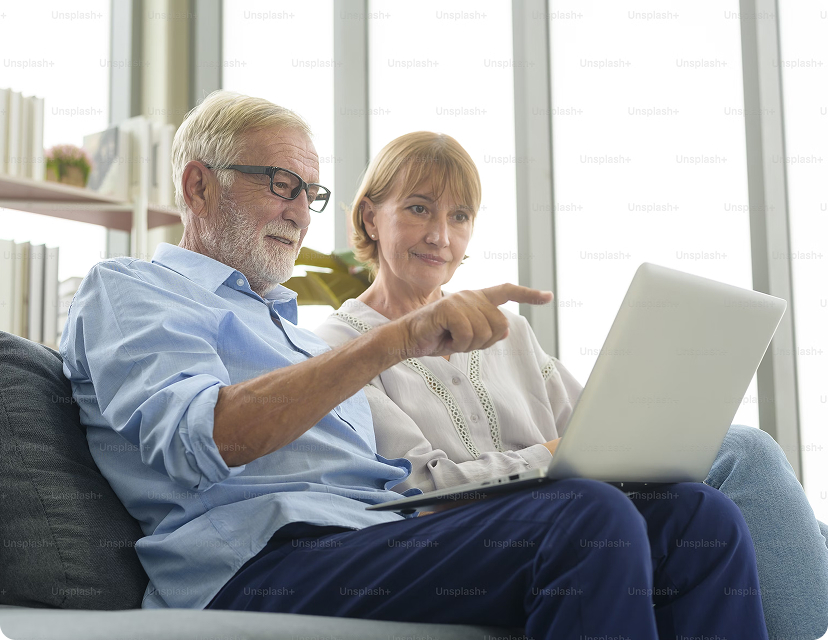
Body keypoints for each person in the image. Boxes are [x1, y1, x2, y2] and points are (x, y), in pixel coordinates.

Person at [60, 90, 770, 639]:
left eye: (311, 193)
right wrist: (394, 340)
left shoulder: (293, 334)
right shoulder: (132, 292)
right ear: (197, 186)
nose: (300, 212)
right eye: (279, 183)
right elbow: (209, 439)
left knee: (692, 515)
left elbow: (403, 484)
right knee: (585, 517)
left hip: (375, 532)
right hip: (256, 562)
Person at [315, 131, 828, 640]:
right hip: (475, 544)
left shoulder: (509, 331)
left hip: (591, 521)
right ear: (369, 218)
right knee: (748, 461)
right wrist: (551, 455)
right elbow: (419, 490)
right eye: (419, 208)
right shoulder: (342, 346)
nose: (441, 237)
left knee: (726, 489)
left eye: (460, 216)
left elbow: (596, 432)